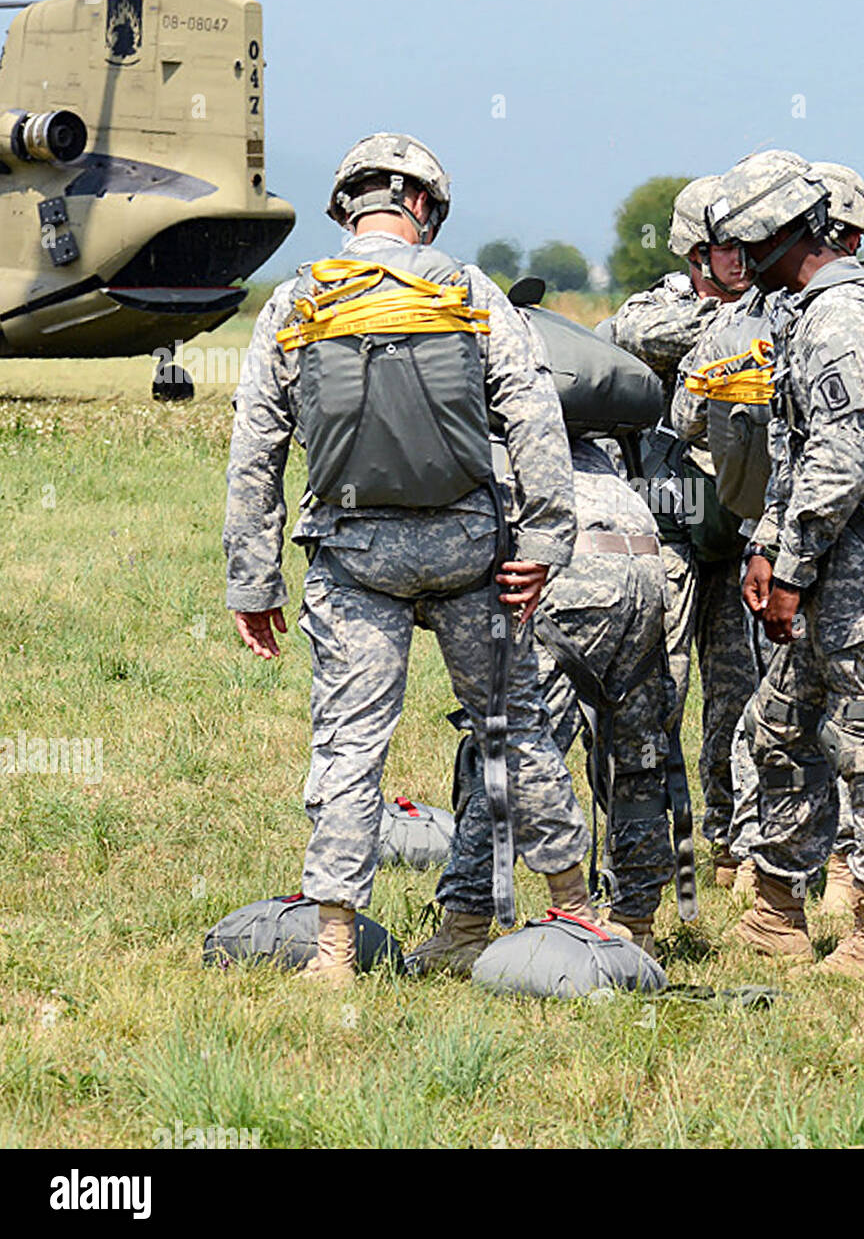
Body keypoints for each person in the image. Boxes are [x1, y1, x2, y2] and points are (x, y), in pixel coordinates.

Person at [223, 133, 592, 985]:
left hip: (354, 559)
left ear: (347, 206)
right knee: (514, 729)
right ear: (422, 207)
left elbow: (255, 448)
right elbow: (535, 417)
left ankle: (333, 953)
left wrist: (254, 579)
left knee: (350, 747)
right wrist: (544, 544)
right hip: (471, 551)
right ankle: (578, 913)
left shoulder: (296, 301)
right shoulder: (469, 290)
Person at [710, 149, 864, 977]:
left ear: (788, 234)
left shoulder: (842, 318)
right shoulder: (803, 313)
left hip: (862, 571)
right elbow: (794, 453)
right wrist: (765, 546)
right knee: (776, 730)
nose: (736, 265)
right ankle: (779, 910)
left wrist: (795, 570)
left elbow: (841, 462)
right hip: (817, 562)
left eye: (746, 245)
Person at [409, 434, 678, 970]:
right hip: (648, 558)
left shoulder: (471, 420)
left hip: (570, 569)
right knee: (637, 756)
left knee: (509, 752)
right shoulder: (581, 422)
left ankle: (464, 927)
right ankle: (635, 925)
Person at [604, 177, 758, 886]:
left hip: (743, 529)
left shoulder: (777, 308)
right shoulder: (658, 308)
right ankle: (654, 846)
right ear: (696, 251)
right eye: (728, 245)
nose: (741, 258)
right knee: (658, 686)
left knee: (741, 696)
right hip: (667, 528)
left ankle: (736, 843)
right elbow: (629, 338)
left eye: (749, 244)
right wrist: (737, 323)